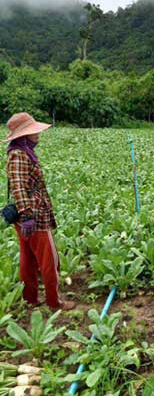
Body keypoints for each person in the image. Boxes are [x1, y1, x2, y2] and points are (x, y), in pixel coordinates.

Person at [4, 112, 76, 311]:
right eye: (33, 131)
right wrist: (27, 215)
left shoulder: (22, 152)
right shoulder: (19, 155)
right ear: (23, 135)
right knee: (49, 258)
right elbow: (18, 187)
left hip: (26, 215)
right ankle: (54, 301)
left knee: (28, 257)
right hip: (33, 216)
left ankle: (30, 298)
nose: (38, 134)